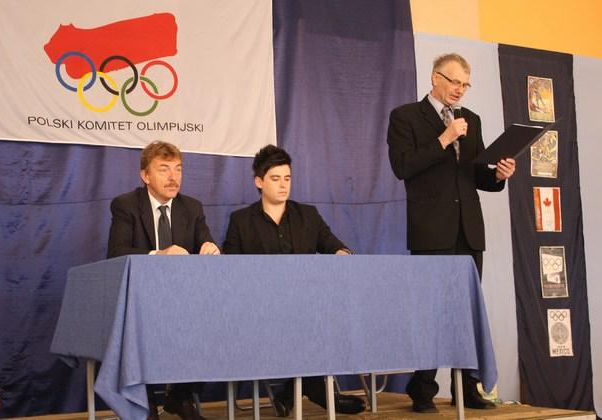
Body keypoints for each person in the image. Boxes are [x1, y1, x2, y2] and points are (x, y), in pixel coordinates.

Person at [386, 53, 516, 413]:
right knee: (431, 312)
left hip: (468, 231)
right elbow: (402, 166)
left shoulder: (471, 119)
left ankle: (467, 388)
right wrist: (443, 138)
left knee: (466, 313)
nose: (460, 89)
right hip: (431, 232)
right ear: (435, 78)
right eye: (454, 81)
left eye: (465, 84)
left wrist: (498, 175)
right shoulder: (406, 117)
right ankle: (422, 387)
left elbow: (477, 175)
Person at [223, 144, 365, 416]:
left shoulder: (308, 215)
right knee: (307, 323)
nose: (283, 185)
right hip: (260, 310)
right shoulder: (241, 221)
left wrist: (341, 253)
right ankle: (317, 391)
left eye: (287, 178)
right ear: (259, 182)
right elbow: (230, 270)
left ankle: (294, 391)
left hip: (306, 306)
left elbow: (335, 246)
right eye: (275, 178)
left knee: (327, 316)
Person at [107, 140, 220, 420]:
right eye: (164, 169)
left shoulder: (192, 207)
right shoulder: (126, 205)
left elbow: (205, 243)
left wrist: (210, 248)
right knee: (139, 328)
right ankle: (145, 404)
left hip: (183, 299)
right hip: (140, 300)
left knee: (214, 321)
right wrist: (159, 254)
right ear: (145, 175)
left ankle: (179, 397)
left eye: (178, 169)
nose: (173, 177)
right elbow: (116, 252)